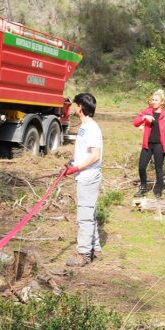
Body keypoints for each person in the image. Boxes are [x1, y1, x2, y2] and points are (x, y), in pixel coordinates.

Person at [65, 93, 103, 267]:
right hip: (83, 175)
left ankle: (84, 253)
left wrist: (78, 167)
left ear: (80, 107)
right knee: (90, 212)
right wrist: (72, 163)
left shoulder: (92, 128)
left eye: (75, 105)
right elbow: (84, 152)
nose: (74, 108)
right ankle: (96, 247)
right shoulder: (84, 126)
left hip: (88, 177)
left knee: (85, 216)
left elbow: (95, 156)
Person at [132, 89, 165, 198]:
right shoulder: (147, 111)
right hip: (147, 145)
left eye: (156, 100)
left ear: (162, 102)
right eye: (152, 100)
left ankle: (158, 189)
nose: (153, 102)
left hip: (159, 145)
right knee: (141, 167)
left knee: (158, 168)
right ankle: (143, 187)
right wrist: (144, 117)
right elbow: (135, 123)